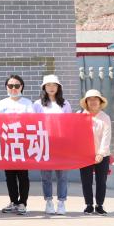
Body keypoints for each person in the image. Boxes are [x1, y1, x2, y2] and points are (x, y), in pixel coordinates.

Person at [34, 75, 73, 216]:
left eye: (54, 85)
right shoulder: (37, 104)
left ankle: (61, 202)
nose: (51, 87)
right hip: (45, 142)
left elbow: (69, 123)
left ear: (58, 87)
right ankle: (49, 201)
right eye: (48, 85)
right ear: (44, 88)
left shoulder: (65, 104)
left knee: (62, 175)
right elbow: (34, 123)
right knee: (46, 175)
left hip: (62, 143)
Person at [0, 74, 32, 215]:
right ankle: (13, 201)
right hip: (7, 144)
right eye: (10, 86)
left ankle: (22, 203)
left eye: (17, 85)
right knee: (9, 175)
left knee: (22, 175)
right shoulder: (2, 103)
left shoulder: (27, 103)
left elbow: (33, 121)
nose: (14, 88)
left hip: (23, 143)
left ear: (22, 87)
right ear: (6, 87)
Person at [79, 89, 112, 216]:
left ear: (100, 101)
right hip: (85, 154)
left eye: (95, 99)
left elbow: (106, 137)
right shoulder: (80, 116)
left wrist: (101, 153)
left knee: (101, 180)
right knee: (86, 180)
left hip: (102, 155)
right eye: (90, 99)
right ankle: (88, 205)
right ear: (86, 102)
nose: (93, 102)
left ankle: (99, 205)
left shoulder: (105, 118)